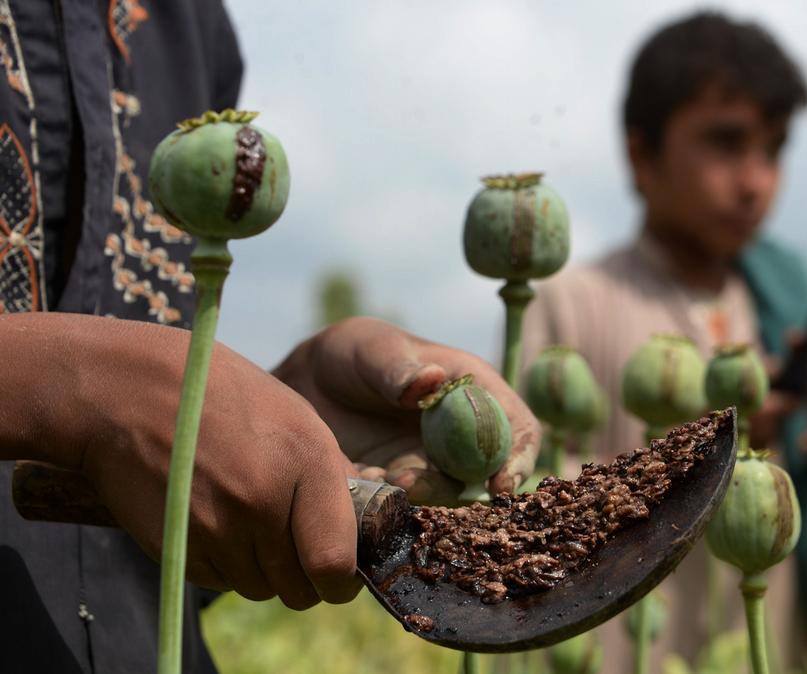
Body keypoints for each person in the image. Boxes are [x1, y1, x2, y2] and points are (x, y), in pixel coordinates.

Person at [0, 2, 537, 671]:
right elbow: (113, 395)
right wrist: (69, 385)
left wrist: (287, 409)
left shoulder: (191, 24)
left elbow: (151, 478)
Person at [521, 11, 807, 671]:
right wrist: (705, 446)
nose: (754, 180)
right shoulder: (573, 304)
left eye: (772, 149)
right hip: (617, 652)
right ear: (641, 153)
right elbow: (533, 503)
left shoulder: (775, 305)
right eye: (726, 143)